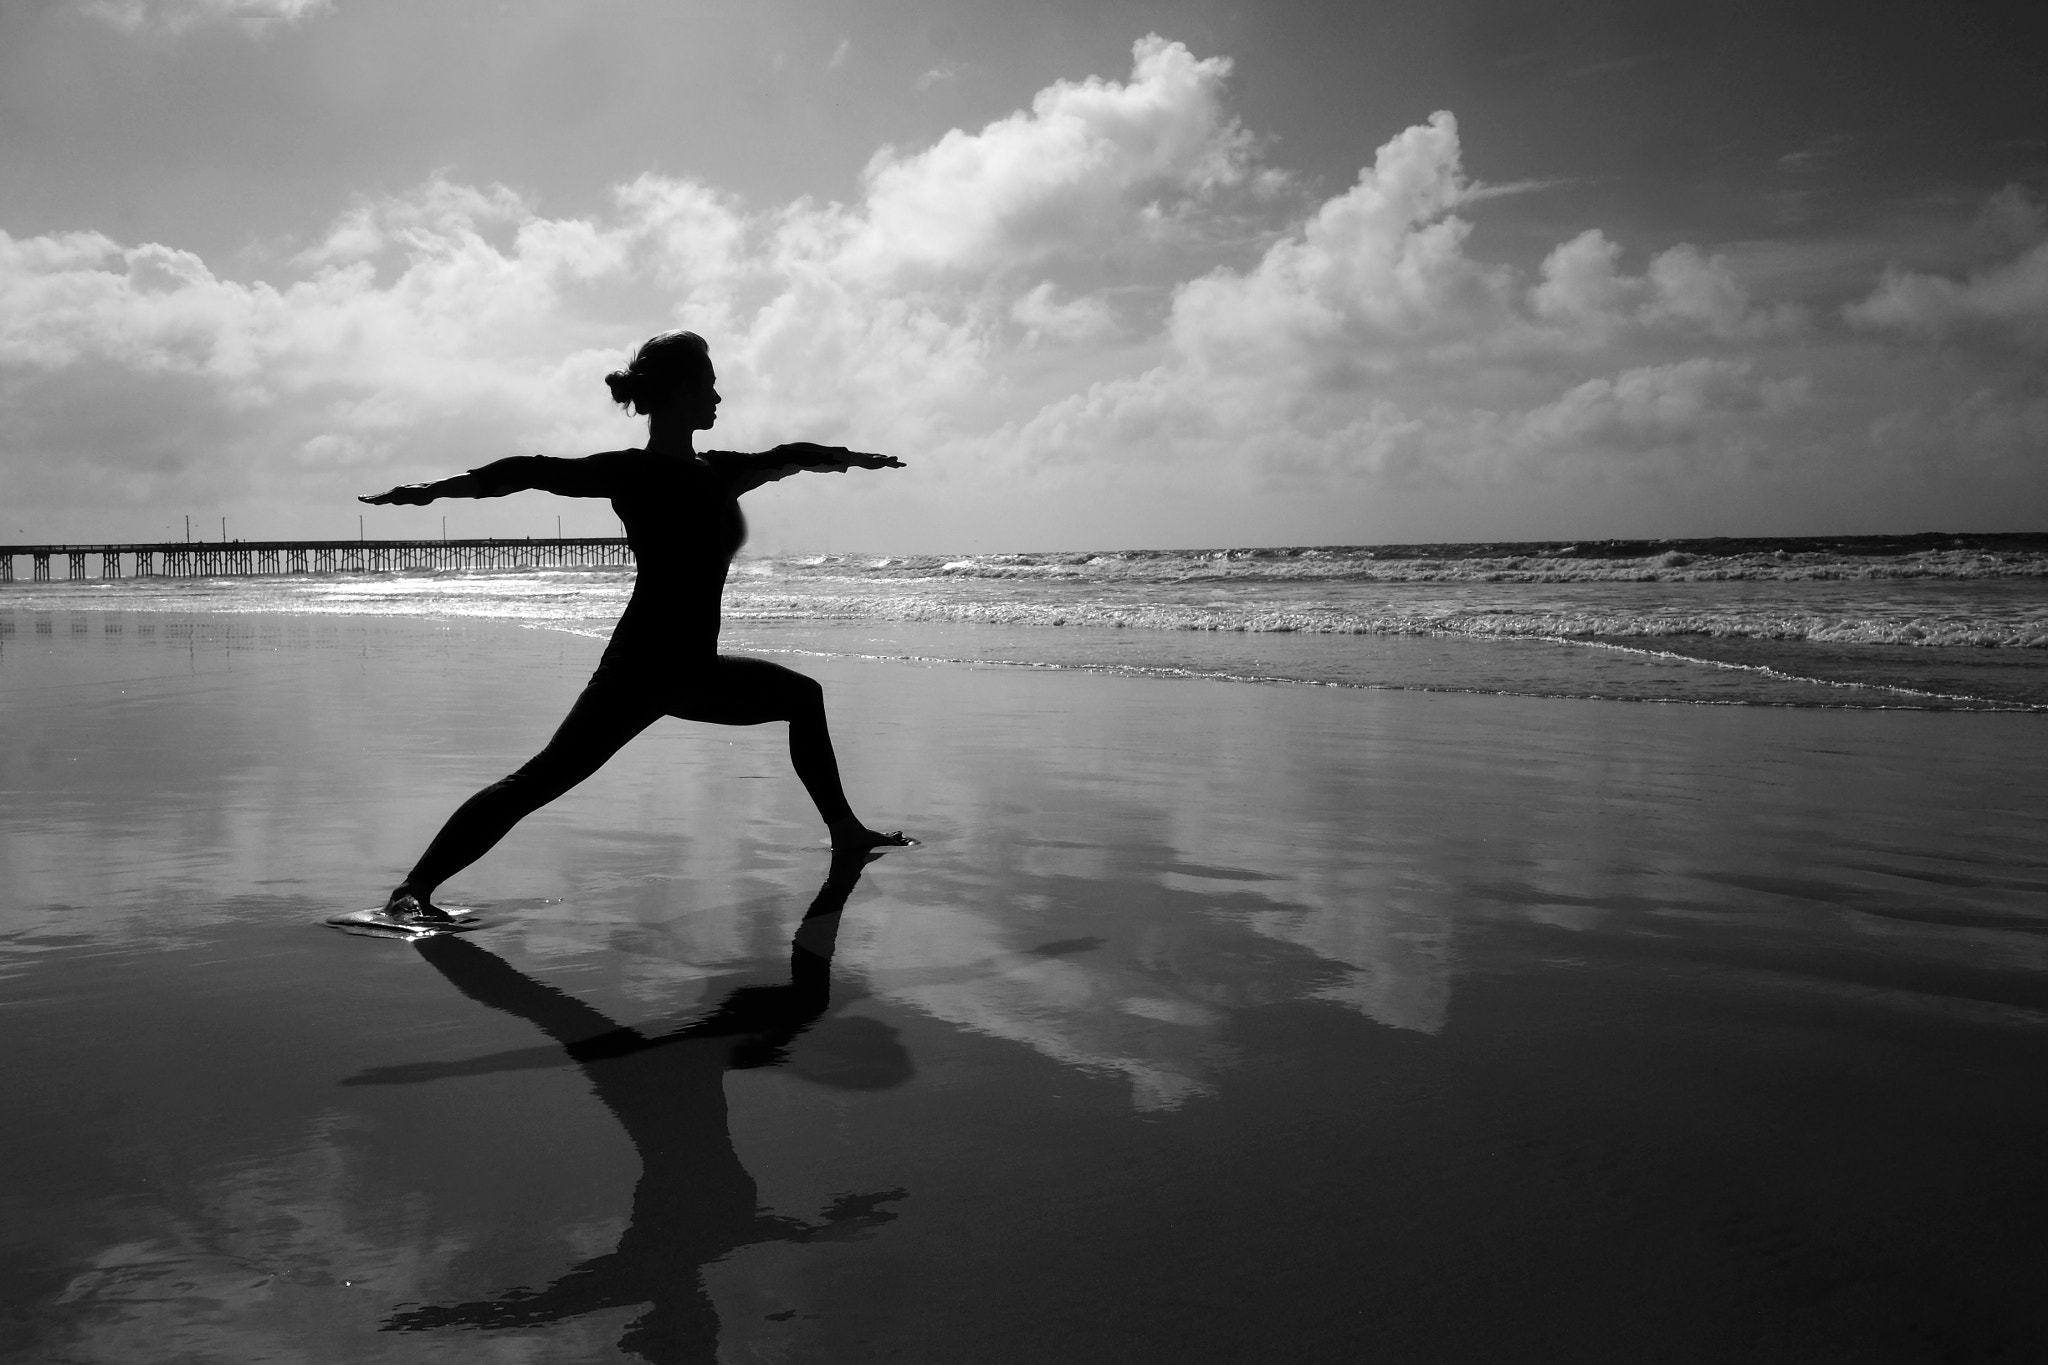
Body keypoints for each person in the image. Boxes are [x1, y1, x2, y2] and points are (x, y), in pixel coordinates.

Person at [360, 330, 907, 923]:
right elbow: (529, 471)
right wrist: (436, 490)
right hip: (640, 668)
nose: (720, 396)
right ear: (679, 391)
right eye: (710, 382)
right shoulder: (633, 474)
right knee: (538, 781)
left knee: (804, 697)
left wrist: (849, 459)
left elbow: (788, 455)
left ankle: (846, 832)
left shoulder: (720, 471)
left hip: (695, 667)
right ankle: (412, 890)